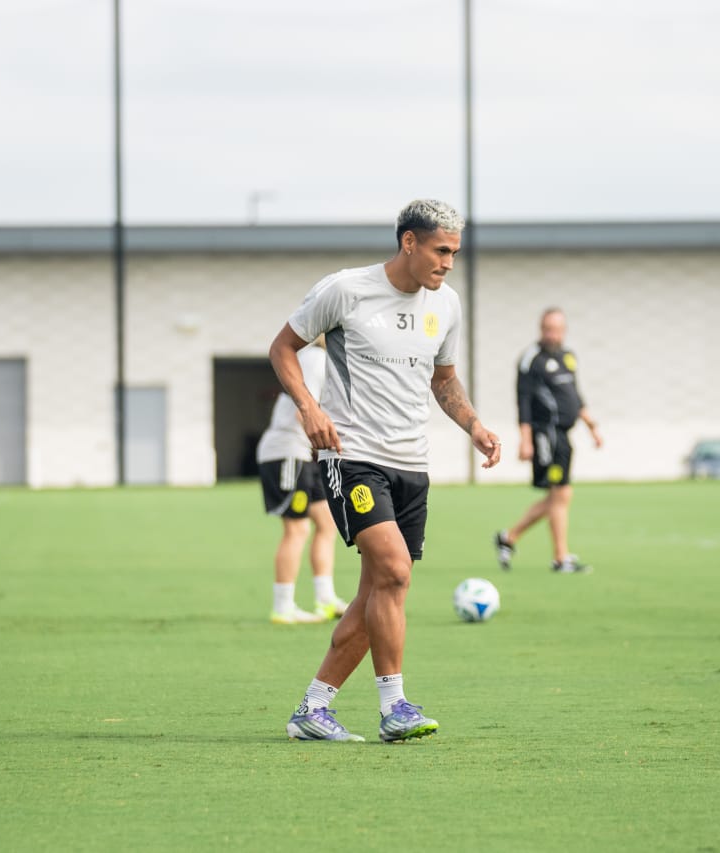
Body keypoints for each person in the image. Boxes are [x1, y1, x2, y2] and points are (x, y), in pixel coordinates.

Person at [269, 199, 501, 743]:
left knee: (379, 591)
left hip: (411, 463)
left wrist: (475, 426)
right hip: (352, 456)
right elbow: (283, 348)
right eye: (441, 250)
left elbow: (443, 381)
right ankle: (394, 707)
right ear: (409, 243)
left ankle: (313, 708)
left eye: (455, 254)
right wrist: (309, 408)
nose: (448, 263)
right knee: (394, 571)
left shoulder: (447, 306)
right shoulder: (346, 290)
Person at [493, 307, 602, 574]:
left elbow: (575, 395)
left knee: (560, 495)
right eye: (547, 329)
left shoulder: (568, 357)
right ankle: (560, 558)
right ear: (540, 329)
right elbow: (524, 402)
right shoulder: (531, 360)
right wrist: (525, 439)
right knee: (559, 494)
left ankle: (508, 538)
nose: (552, 334)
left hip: (564, 436)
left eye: (557, 329)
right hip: (546, 435)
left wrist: (591, 426)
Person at [256, 337, 349, 625]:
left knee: (326, 522)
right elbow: (303, 412)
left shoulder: (324, 361)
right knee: (296, 529)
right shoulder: (313, 359)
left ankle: (326, 599)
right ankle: (283, 607)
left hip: (304, 454)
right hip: (286, 452)